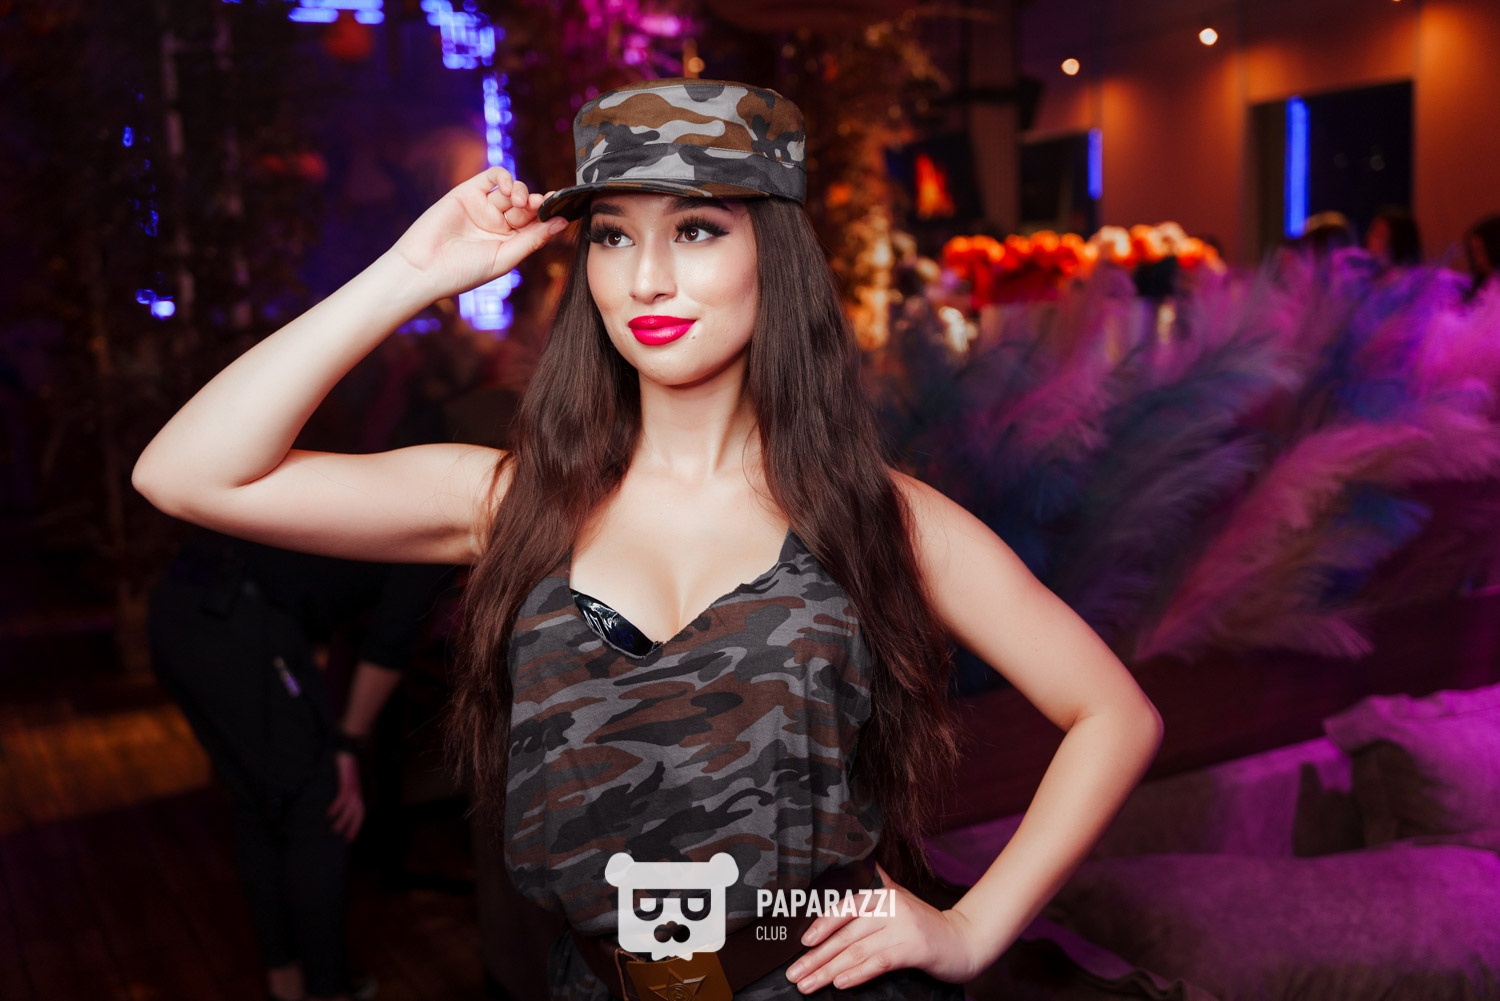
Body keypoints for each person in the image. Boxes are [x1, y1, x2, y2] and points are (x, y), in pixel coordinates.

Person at [133, 78, 1162, 1000]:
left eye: (698, 229)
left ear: (775, 255)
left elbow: (1113, 713)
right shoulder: (511, 501)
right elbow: (186, 473)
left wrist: (971, 928)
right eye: (614, 236)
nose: (647, 279)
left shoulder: (876, 517)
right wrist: (410, 273)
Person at [148, 528, 454, 1001]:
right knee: (321, 805)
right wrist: (346, 749)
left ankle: (286, 984)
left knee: (255, 801)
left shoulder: (403, 495)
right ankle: (327, 990)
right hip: (237, 623)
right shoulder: (442, 525)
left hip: (176, 609)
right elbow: (388, 646)